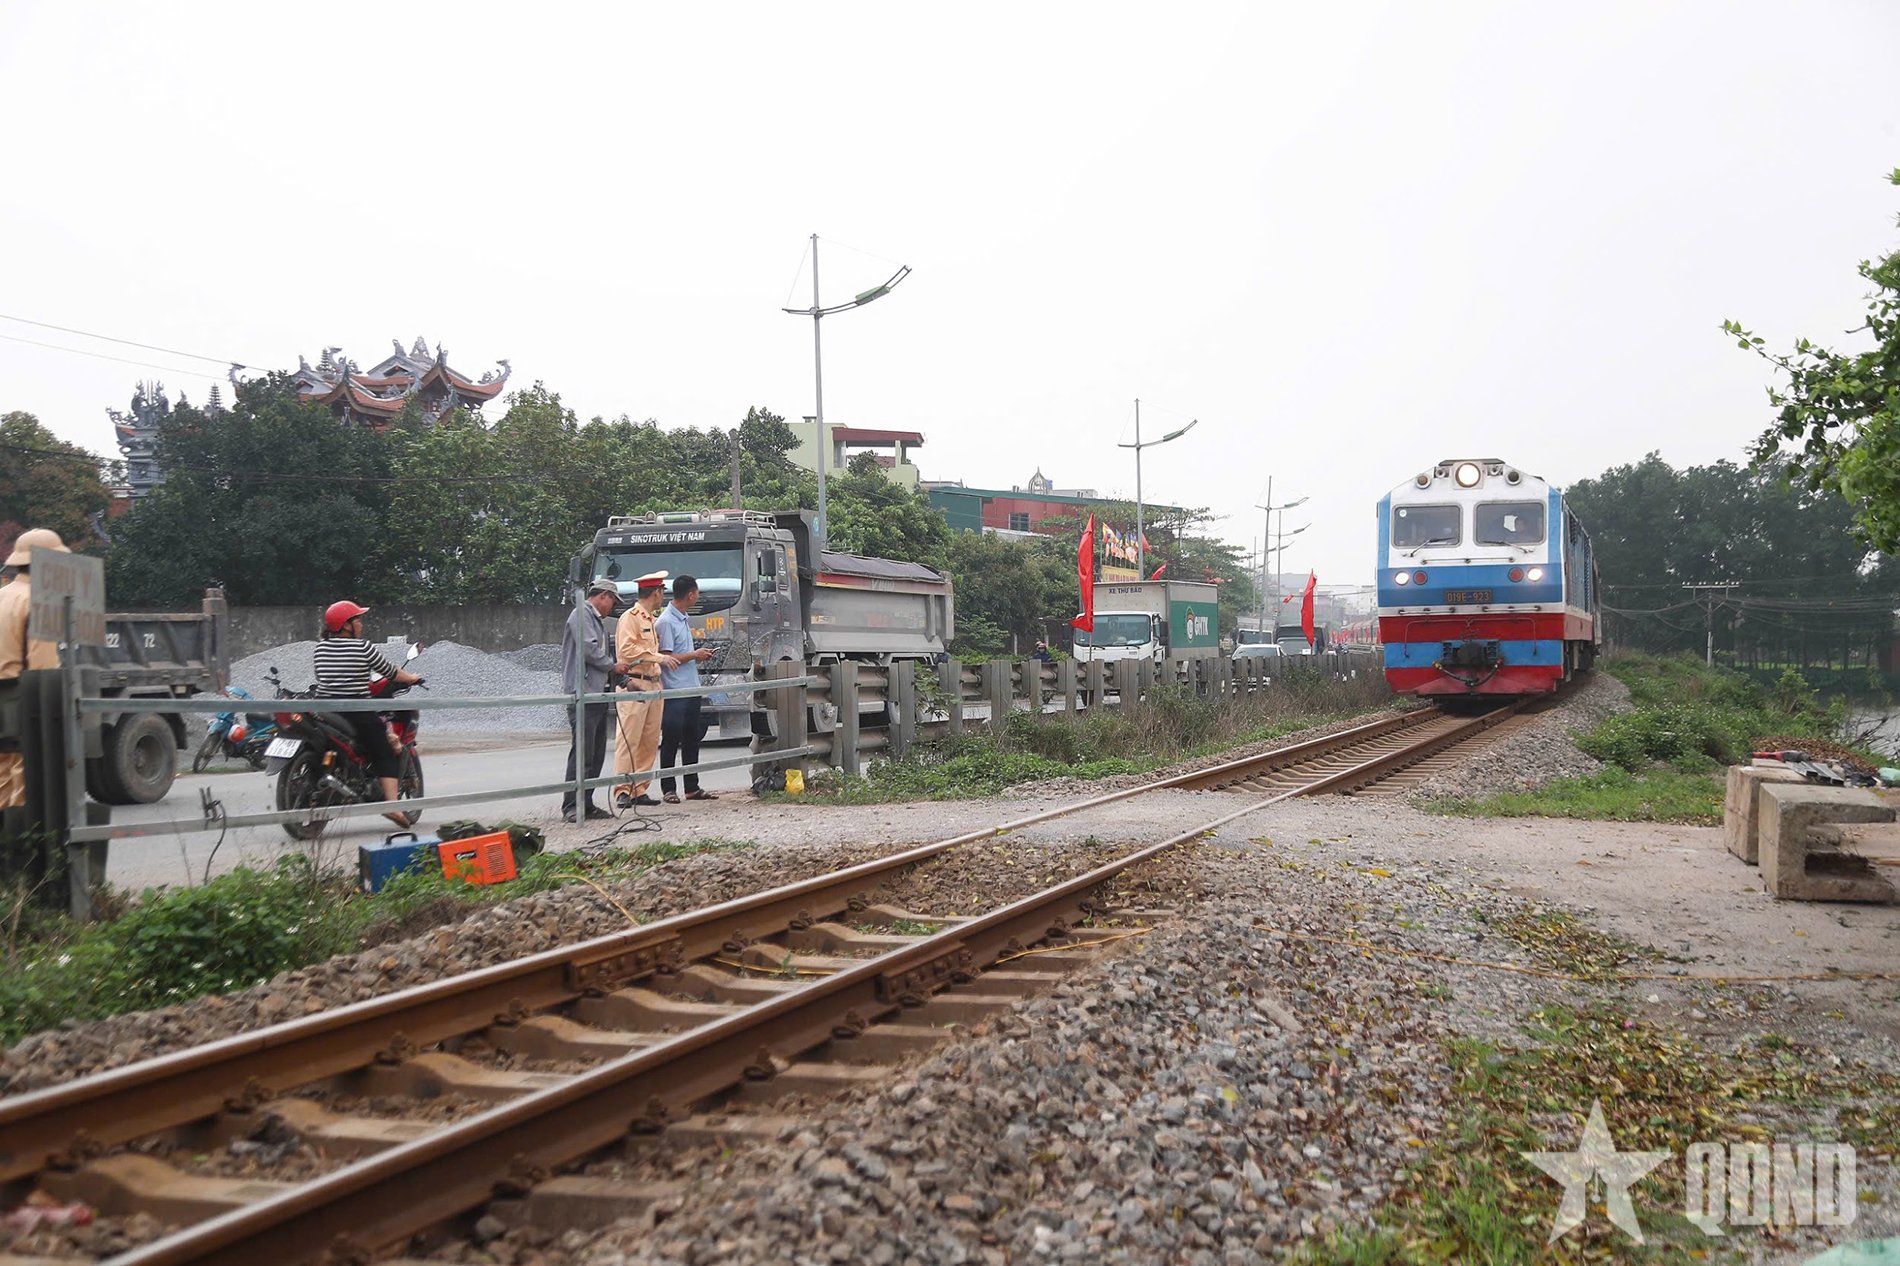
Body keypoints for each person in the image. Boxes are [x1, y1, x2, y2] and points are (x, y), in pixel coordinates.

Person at [315, 600, 425, 827]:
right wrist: (413, 678)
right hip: (356, 710)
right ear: (346, 625)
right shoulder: (362, 647)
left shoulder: (320, 648)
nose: (361, 624)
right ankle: (393, 808)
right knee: (384, 750)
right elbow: (390, 672)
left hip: (324, 709)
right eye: (357, 620)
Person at [1, 529, 68, 810]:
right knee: (26, 785)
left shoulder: (4, 595)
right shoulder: (40, 601)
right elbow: (44, 672)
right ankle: (24, 850)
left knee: (3, 778)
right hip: (21, 701)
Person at [562, 579, 630, 822]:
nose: (611, 607)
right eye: (612, 601)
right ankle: (572, 806)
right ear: (603, 595)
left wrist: (621, 679)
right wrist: (613, 665)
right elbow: (590, 651)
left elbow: (601, 653)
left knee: (596, 753)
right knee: (582, 752)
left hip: (596, 693)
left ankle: (586, 803)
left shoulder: (595, 621)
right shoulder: (581, 615)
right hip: (583, 694)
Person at [613, 571, 672, 809]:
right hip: (635, 683)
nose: (662, 597)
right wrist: (658, 657)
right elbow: (627, 650)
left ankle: (640, 788)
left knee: (649, 740)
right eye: (661, 592)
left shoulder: (650, 619)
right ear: (656, 592)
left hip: (653, 683)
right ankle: (622, 790)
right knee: (629, 739)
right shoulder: (631, 617)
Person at [655, 574, 716, 803]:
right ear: (690, 594)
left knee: (692, 737)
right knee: (671, 739)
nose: (698, 596)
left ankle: (692, 786)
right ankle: (668, 788)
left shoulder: (682, 618)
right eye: (697, 592)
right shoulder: (666, 622)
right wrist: (693, 655)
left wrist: (697, 657)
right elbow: (666, 658)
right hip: (675, 690)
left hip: (690, 687)